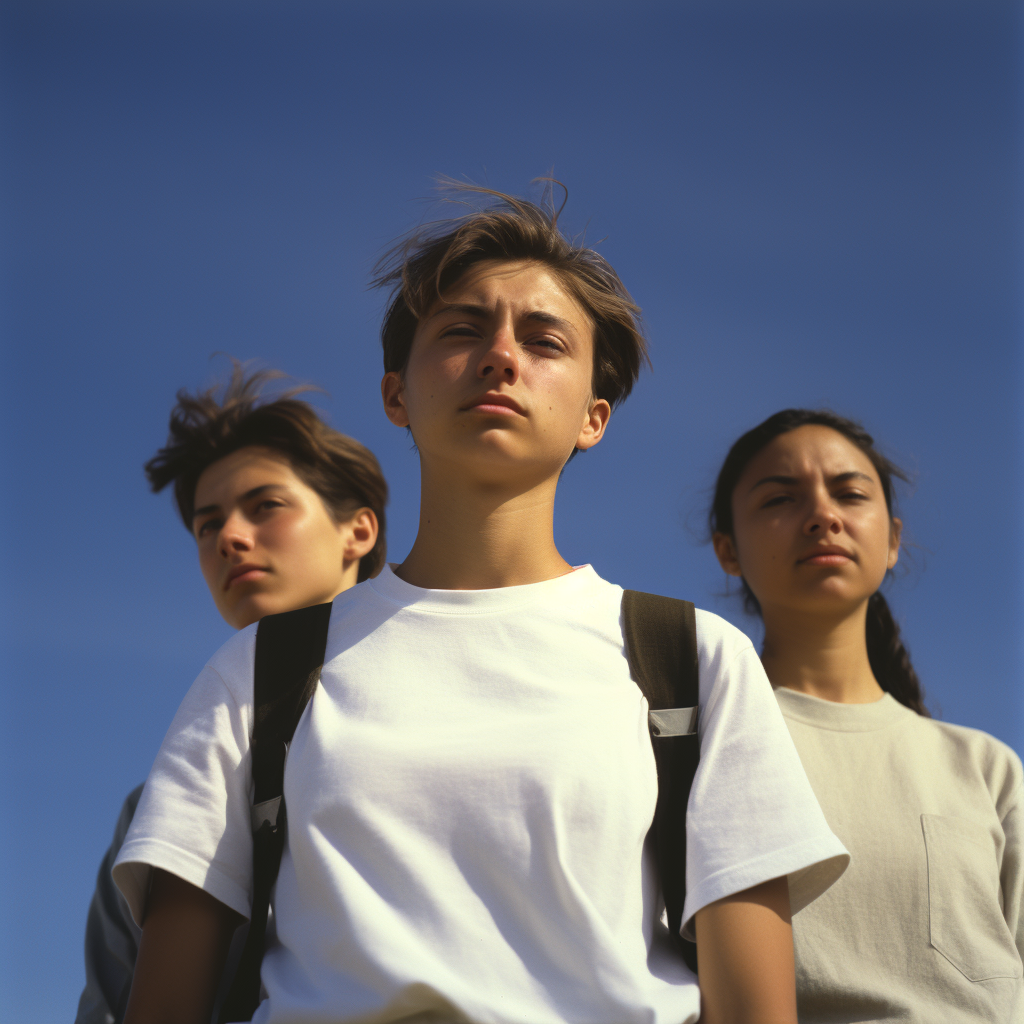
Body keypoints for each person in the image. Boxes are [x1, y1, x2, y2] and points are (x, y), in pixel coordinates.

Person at [114, 186, 848, 1024]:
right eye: (462, 330)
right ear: (396, 394)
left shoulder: (690, 658)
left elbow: (757, 1008)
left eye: (544, 341)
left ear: (593, 417)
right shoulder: (260, 669)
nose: (501, 356)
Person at [75, 364, 388, 1024]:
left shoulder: (449, 726)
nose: (230, 538)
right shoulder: (153, 807)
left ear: (357, 531)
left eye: (266, 506)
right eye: (206, 524)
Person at [710, 407, 1024, 1023]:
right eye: (780, 499)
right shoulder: (698, 740)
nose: (823, 516)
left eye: (850, 493)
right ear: (729, 550)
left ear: (894, 541)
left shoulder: (986, 768)